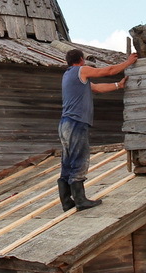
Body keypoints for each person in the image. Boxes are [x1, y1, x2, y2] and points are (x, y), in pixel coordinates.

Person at [59, 48, 137, 211]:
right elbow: (106, 71)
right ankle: (80, 200)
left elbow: (96, 88)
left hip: (65, 124)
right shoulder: (81, 70)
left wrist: (118, 85)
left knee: (68, 161)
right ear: (81, 59)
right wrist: (128, 62)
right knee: (80, 159)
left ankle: (67, 201)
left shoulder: (68, 75)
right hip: (76, 122)